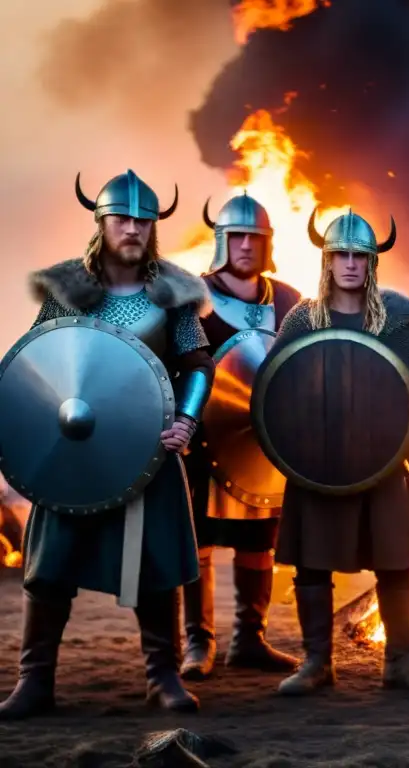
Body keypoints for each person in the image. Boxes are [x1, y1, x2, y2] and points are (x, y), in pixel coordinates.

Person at [0, 170, 213, 719]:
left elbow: (197, 365)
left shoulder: (174, 294)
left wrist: (185, 422)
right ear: (101, 222)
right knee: (49, 567)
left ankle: (161, 677)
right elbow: (35, 364)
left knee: (156, 566)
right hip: (70, 452)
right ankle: (34, 680)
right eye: (122, 217)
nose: (133, 227)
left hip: (148, 452)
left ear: (153, 227)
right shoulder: (67, 290)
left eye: (144, 219)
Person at [269, 208, 409, 696]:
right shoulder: (303, 318)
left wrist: (399, 446)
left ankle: (401, 662)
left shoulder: (397, 320)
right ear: (326, 261)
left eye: (359, 256)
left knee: (393, 562)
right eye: (340, 255)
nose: (350, 263)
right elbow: (275, 388)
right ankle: (316, 662)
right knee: (312, 563)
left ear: (373, 263)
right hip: (317, 461)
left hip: (382, 459)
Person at [179, 193, 302, 680]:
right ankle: (198, 643)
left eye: (256, 237)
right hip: (200, 442)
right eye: (237, 236)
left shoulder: (291, 301)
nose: (246, 245)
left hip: (262, 448)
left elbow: (302, 369)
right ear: (221, 241)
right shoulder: (193, 299)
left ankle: (249, 640)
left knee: (259, 543)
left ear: (267, 244)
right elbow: (176, 364)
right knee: (198, 544)